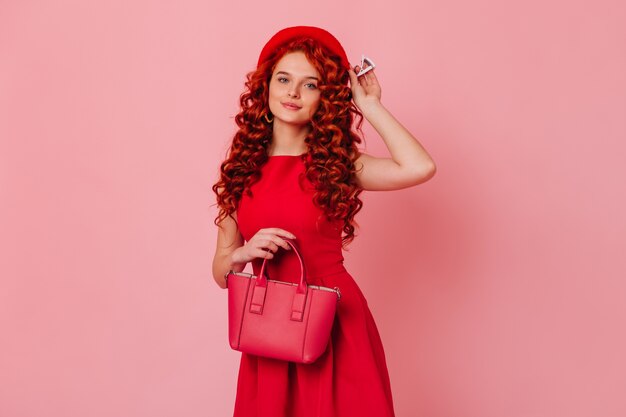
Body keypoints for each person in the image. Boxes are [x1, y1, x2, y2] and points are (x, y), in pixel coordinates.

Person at [212, 25, 436, 417]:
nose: (293, 93)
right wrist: (240, 255)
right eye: (283, 79)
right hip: (269, 331)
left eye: (310, 84)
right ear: (265, 87)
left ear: (327, 98)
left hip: (337, 326)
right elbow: (220, 270)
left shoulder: (338, 166)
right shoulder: (241, 170)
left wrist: (370, 106)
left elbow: (419, 167)